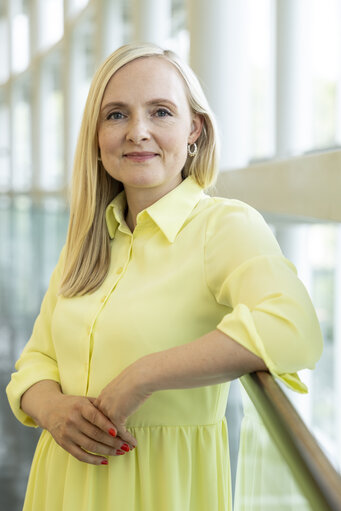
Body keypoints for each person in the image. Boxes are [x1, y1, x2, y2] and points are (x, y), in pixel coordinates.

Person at [6, 42, 323, 511]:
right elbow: (34, 361)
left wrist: (143, 376)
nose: (138, 132)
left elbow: (292, 326)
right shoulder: (89, 240)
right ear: (96, 135)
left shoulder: (224, 226)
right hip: (62, 483)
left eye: (160, 112)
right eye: (116, 115)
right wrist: (51, 409)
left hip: (162, 491)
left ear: (194, 129)